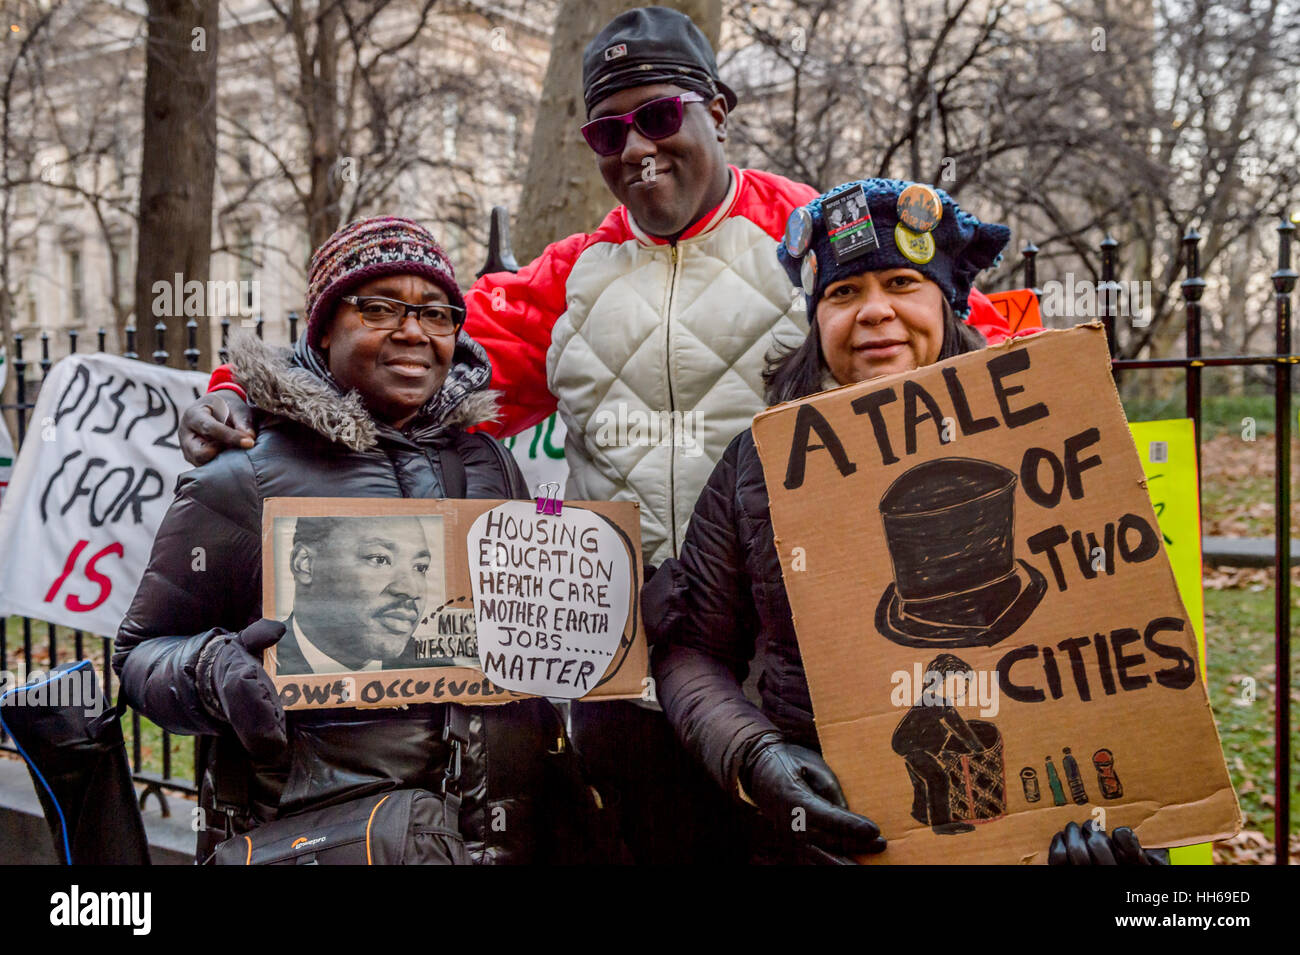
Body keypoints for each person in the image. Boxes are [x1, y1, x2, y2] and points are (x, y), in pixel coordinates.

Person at [172, 8, 1014, 863]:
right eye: (609, 130)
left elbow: (990, 363)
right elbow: (403, 362)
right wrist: (240, 390)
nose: (636, 148)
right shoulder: (573, 276)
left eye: (659, 116)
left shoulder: (818, 243)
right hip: (628, 687)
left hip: (802, 682)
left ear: (717, 109)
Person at [645, 178, 1168, 865]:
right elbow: (691, 649)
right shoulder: (759, 464)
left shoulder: (1046, 431)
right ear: (816, 320)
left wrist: (1120, 839)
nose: (873, 312)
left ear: (948, 307)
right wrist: (754, 752)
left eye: (900, 282)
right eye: (843, 293)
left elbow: (1131, 659)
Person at [112, 216, 590, 865]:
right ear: (326, 326)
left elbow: (516, 637)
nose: (414, 331)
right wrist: (211, 670)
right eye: (381, 307)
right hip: (328, 841)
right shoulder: (243, 477)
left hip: (489, 840)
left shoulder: (488, 464)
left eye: (437, 312)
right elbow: (140, 655)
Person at [275, 516, 434, 675]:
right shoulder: (261, 663)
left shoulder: (435, 668)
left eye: (420, 568)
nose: (411, 590)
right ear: (305, 564)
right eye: (379, 559)